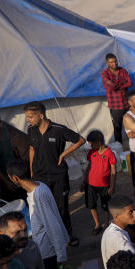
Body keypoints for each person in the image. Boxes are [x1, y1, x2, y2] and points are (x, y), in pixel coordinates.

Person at [23, 101, 84, 243]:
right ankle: (51, 237)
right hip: (39, 176)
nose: (28, 120)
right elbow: (32, 149)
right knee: (44, 207)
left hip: (58, 176)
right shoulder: (31, 130)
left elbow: (80, 140)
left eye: (30, 117)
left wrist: (63, 154)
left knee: (61, 207)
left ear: (41, 115)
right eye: (27, 117)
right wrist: (32, 171)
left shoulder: (59, 130)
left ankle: (67, 235)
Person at [83, 129, 117, 234]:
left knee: (105, 205)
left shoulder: (109, 153)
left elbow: (113, 171)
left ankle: (106, 223)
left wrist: (112, 186)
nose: (90, 146)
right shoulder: (91, 153)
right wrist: (84, 182)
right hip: (90, 185)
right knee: (91, 205)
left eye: (92, 144)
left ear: (99, 142)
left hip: (104, 185)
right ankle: (97, 223)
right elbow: (89, 167)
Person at [101, 53, 133, 144]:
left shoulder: (122, 70)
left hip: (126, 104)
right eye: (111, 62)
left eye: (115, 61)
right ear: (107, 63)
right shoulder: (104, 74)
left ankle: (133, 144)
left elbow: (130, 83)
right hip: (115, 106)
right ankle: (120, 147)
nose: (114, 64)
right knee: (117, 128)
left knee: (131, 124)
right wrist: (123, 83)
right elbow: (112, 87)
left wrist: (117, 84)